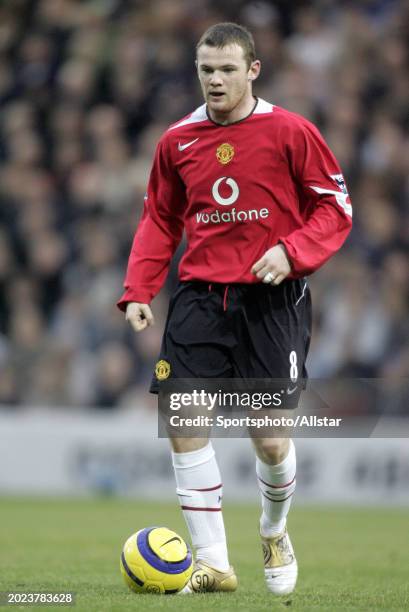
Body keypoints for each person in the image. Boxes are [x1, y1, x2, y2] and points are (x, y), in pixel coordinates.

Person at [118, 22, 352, 595]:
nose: (215, 80)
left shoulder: (291, 132)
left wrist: (291, 251)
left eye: (226, 69)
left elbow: (335, 208)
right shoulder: (177, 141)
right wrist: (139, 289)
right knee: (183, 419)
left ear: (253, 70)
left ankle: (274, 529)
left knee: (269, 439)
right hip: (200, 297)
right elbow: (161, 218)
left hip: (272, 301)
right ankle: (214, 564)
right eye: (206, 69)